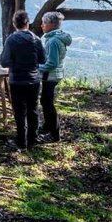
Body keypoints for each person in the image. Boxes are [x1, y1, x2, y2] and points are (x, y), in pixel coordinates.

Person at [0, 10, 45, 151]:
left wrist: (15, 62)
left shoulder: (11, 40)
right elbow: (43, 59)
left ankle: (21, 142)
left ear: (14, 24)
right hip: (33, 79)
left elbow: (4, 62)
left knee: (19, 111)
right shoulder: (36, 39)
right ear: (28, 23)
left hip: (17, 80)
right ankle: (33, 138)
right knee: (33, 109)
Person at [37, 12, 72, 143]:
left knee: (47, 104)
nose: (41, 25)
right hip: (55, 75)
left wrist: (36, 67)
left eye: (44, 23)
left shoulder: (52, 41)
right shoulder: (57, 38)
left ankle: (54, 134)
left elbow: (52, 63)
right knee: (45, 101)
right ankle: (47, 127)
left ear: (51, 25)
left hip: (50, 76)